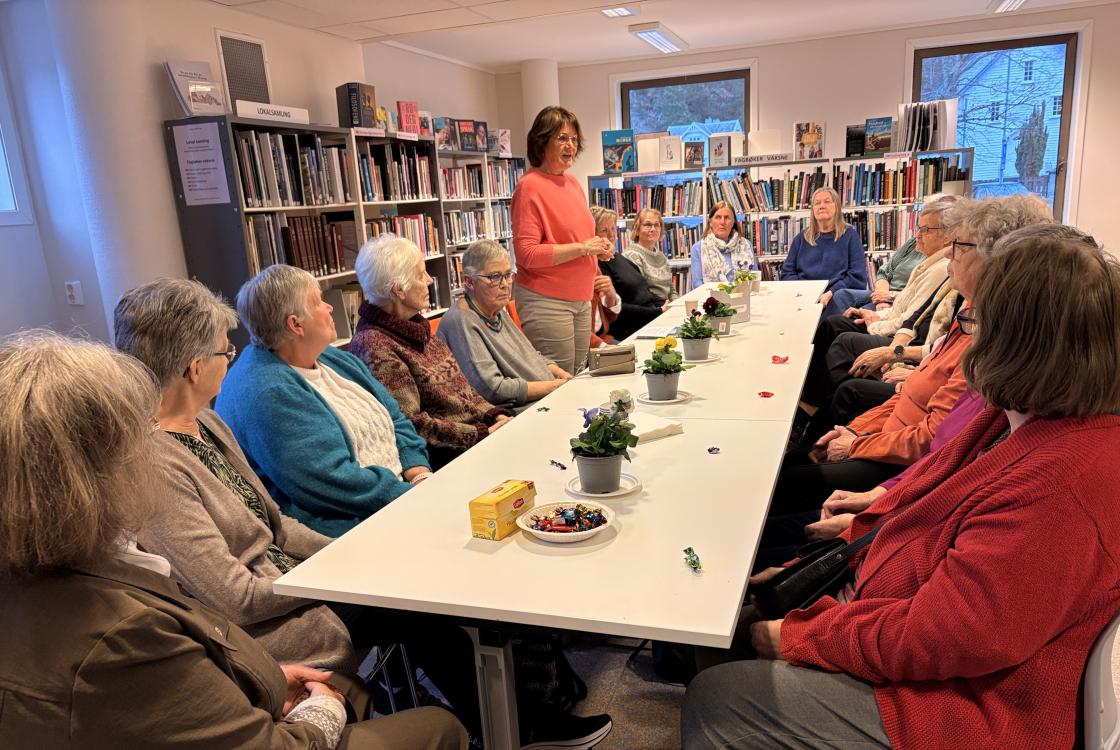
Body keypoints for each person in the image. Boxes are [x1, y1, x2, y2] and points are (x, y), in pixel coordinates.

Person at [682, 224, 1120, 750]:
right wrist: (832, 554)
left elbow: (948, 637)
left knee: (718, 694)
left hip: (961, 706)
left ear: (1022, 340)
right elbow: (922, 505)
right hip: (895, 621)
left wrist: (806, 636)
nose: (968, 332)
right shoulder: (1014, 417)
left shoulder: (1067, 484)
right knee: (721, 623)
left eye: (979, 318)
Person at [0, 330, 467, 750]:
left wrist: (262, 678)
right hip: (279, 654)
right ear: (100, 472)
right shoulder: (124, 632)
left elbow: (191, 685)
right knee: (440, 724)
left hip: (261, 657)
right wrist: (325, 707)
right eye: (133, 439)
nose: (147, 446)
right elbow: (227, 617)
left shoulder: (55, 577)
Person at [113, 278, 354, 670]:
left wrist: (345, 554)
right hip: (272, 628)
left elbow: (277, 524)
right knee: (424, 617)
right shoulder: (153, 466)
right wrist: (334, 576)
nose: (231, 359)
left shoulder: (208, 422)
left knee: (419, 604)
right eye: (226, 351)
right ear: (194, 368)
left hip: (297, 587)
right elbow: (236, 600)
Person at [773, 195, 1054, 516]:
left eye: (959, 245)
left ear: (994, 259)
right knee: (783, 464)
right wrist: (856, 431)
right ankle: (807, 426)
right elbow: (911, 392)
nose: (949, 252)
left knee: (779, 485)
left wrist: (856, 444)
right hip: (886, 441)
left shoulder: (985, 340)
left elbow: (934, 443)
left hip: (895, 465)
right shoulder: (967, 312)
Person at [216, 264, 431, 538]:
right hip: (349, 528)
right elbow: (332, 481)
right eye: (318, 302)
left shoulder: (332, 358)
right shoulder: (267, 391)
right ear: (295, 324)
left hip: (400, 497)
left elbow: (394, 417)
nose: (330, 308)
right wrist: (411, 497)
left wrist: (419, 473)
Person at [795, 194, 964, 434]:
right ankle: (811, 398)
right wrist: (878, 317)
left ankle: (814, 406)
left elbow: (914, 322)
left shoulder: (941, 271)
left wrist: (889, 345)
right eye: (918, 227)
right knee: (836, 324)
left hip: (907, 344)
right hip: (892, 319)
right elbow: (892, 284)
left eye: (925, 229)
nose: (917, 235)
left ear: (949, 236)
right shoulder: (925, 260)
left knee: (842, 334)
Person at [348, 235, 516, 469]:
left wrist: (493, 415)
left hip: (480, 438)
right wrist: (481, 433)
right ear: (398, 290)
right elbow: (411, 425)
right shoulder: (374, 346)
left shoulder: (416, 326)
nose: (429, 280)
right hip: (451, 458)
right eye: (420, 274)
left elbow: (463, 393)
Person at [511, 106, 613, 374]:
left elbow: (578, 238)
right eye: (562, 138)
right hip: (547, 301)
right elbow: (528, 254)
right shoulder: (529, 186)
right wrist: (583, 249)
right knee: (561, 381)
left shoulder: (573, 183)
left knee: (579, 374)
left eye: (574, 139)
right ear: (542, 141)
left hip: (580, 298)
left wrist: (598, 249)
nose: (571, 146)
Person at [438, 240, 571, 410]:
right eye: (494, 277)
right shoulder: (460, 322)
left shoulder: (496, 309)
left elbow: (529, 355)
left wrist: (560, 374)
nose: (505, 285)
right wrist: (553, 387)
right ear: (469, 282)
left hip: (544, 396)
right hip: (519, 411)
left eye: (508, 275)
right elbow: (493, 389)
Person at [780, 187, 868, 314]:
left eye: (827, 201)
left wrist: (831, 293)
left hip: (835, 297)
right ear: (813, 210)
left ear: (836, 206)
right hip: (804, 297)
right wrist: (804, 292)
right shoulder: (801, 238)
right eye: (817, 203)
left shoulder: (850, 236)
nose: (822, 206)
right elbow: (787, 273)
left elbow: (857, 276)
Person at [592, 205, 667, 340]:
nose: (611, 234)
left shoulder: (619, 258)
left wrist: (668, 304)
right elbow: (619, 310)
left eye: (613, 228)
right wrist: (658, 312)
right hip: (631, 329)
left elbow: (646, 292)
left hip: (651, 320)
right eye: (604, 230)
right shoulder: (598, 266)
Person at [688, 200, 758, 290]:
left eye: (727, 218)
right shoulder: (698, 248)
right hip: (713, 300)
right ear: (711, 222)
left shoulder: (746, 245)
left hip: (744, 298)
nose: (722, 222)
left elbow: (755, 278)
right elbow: (697, 284)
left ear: (733, 223)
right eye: (718, 217)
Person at [623, 207, 679, 300]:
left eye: (657, 225)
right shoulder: (631, 256)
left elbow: (671, 290)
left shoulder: (661, 257)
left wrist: (676, 303)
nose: (653, 229)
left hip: (665, 307)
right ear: (637, 229)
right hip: (649, 310)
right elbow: (639, 293)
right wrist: (663, 308)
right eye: (647, 225)